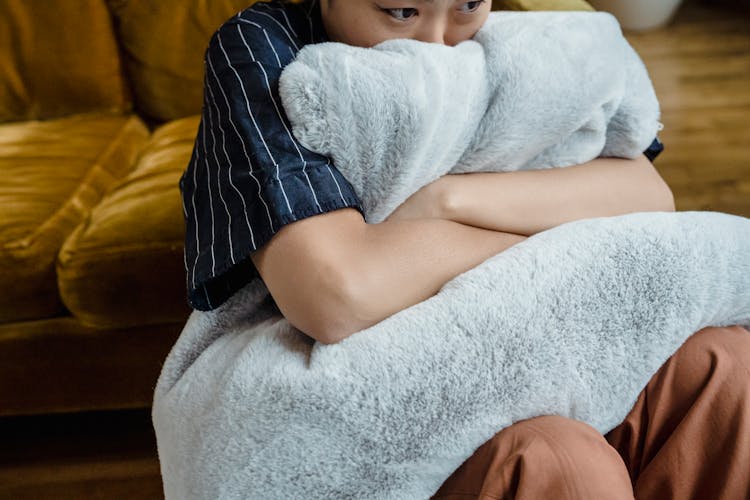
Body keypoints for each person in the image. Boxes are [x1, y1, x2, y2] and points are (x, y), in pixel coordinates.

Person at [179, 0, 750, 497]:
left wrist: (445, 202)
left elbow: (647, 194)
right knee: (555, 463)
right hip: (391, 387)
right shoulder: (263, 51)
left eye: (468, 5)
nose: (437, 44)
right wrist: (550, 230)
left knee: (728, 371)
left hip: (547, 338)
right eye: (400, 12)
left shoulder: (523, 40)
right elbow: (337, 295)